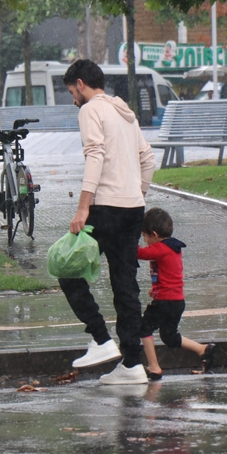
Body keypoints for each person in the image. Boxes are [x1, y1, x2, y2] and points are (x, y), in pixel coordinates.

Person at [60, 59, 157, 385]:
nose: (73, 97)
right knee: (126, 285)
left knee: (67, 268)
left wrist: (83, 209)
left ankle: (101, 340)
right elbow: (148, 159)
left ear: (81, 84)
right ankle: (131, 364)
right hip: (133, 209)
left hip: (106, 208)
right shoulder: (124, 112)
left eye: (72, 90)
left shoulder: (90, 111)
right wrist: (137, 193)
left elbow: (96, 155)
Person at [137, 208, 216, 380]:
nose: (144, 240)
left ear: (155, 234)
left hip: (165, 302)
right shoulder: (173, 247)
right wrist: (156, 288)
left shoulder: (160, 248)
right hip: (177, 300)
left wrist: (129, 237)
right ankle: (202, 349)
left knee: (144, 327)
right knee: (169, 336)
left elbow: (139, 253)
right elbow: (169, 274)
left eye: (144, 236)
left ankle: (154, 367)